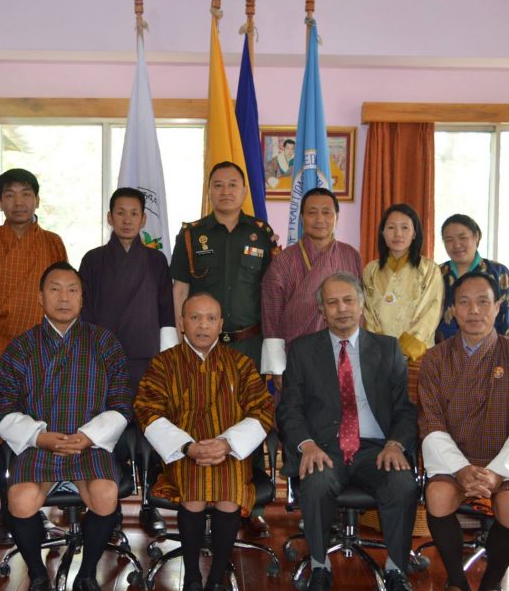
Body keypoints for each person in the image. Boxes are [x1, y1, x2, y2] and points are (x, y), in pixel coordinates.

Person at [0, 262, 131, 591]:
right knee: (19, 501)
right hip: (40, 441)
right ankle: (38, 578)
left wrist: (88, 436)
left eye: (72, 290)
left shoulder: (104, 342)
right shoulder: (21, 346)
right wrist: (40, 437)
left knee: (104, 496)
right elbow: (2, 406)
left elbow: (121, 404)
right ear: (40, 297)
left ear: (83, 298)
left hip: (90, 442)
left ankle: (86, 579)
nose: (63, 297)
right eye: (55, 289)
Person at [277, 272, 419, 591]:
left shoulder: (387, 349)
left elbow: (404, 409)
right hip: (325, 448)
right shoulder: (302, 349)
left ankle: (397, 571)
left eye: (348, 300)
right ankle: (320, 566)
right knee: (316, 481)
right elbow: (289, 409)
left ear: (362, 304)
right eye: (332, 302)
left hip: (376, 448)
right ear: (321, 311)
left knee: (401, 483)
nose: (341, 309)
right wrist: (307, 445)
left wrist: (396, 444)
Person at [418, 271, 509, 591]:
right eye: (464, 302)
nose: (473, 310)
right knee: (438, 495)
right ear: (452, 310)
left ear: (498, 307)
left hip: (504, 460)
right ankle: (457, 583)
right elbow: (430, 422)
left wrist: (496, 472)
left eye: (483, 302)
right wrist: (460, 470)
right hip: (454, 460)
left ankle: (491, 587)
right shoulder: (435, 360)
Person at [135, 293, 275, 591]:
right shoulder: (163, 364)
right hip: (182, 453)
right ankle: (194, 584)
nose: (203, 325)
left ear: (221, 325)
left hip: (230, 453)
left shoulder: (239, 364)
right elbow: (147, 409)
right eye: (195, 317)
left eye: (211, 318)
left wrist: (227, 445)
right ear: (181, 323)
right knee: (195, 492)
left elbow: (263, 409)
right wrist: (187, 447)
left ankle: (217, 586)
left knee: (228, 495)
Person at [169, 161, 278, 538]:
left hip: (249, 344)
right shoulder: (191, 235)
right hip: (202, 344)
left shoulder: (263, 235)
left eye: (233, 184)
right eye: (218, 185)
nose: (226, 191)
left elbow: (272, 292)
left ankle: (249, 505)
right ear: (209, 191)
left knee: (250, 421)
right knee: (199, 416)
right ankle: (198, 497)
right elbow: (180, 290)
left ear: (244, 192)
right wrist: (181, 337)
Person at [0, 167, 67, 547]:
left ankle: (35, 507)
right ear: (0, 201)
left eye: (26, 194)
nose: (18, 202)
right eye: (10, 194)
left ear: (37, 199)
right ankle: (7, 514)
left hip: (40, 355)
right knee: (2, 437)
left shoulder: (53, 243)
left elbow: (62, 298)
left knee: (37, 431)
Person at [80, 187, 178, 534]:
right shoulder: (92, 260)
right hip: (104, 361)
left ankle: (150, 502)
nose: (126, 219)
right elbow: (85, 312)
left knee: (149, 429)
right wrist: (92, 355)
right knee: (112, 432)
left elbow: (166, 310)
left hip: (146, 359)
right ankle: (113, 506)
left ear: (143, 219)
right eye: (120, 212)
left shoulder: (155, 261)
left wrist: (166, 360)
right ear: (110, 217)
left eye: (133, 213)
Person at [261, 188, 362, 378]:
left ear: (336, 217)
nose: (319, 219)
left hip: (344, 356)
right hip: (294, 360)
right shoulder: (283, 261)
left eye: (326, 212)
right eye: (312, 212)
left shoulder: (351, 256)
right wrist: (277, 370)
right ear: (301, 218)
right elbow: (271, 317)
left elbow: (361, 311)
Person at [362, 203, 443, 364]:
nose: (398, 234)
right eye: (391, 227)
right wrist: (381, 348)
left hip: (417, 355)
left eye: (405, 227)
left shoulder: (429, 269)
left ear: (414, 234)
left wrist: (405, 349)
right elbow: (367, 313)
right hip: (379, 356)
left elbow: (431, 312)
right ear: (382, 233)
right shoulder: (371, 270)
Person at [437, 213, 509, 342]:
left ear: (476, 236)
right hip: (444, 354)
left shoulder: (500, 274)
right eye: (449, 240)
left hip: (493, 354)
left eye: (463, 238)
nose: (456, 245)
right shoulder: (436, 274)